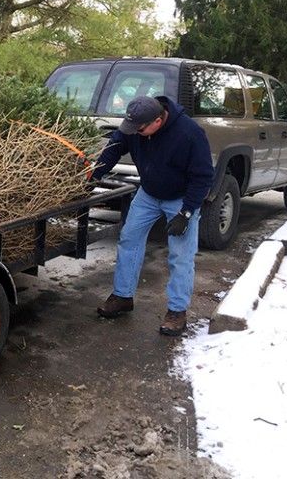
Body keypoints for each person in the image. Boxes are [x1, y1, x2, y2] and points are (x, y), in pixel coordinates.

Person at [90, 95, 214, 335]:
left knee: (180, 255)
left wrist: (186, 213)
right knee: (129, 239)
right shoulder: (136, 126)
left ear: (158, 120)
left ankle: (177, 311)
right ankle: (123, 296)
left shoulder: (190, 134)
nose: (134, 133)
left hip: (180, 198)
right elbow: (114, 147)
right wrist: (95, 175)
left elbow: (203, 177)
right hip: (148, 194)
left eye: (140, 129)